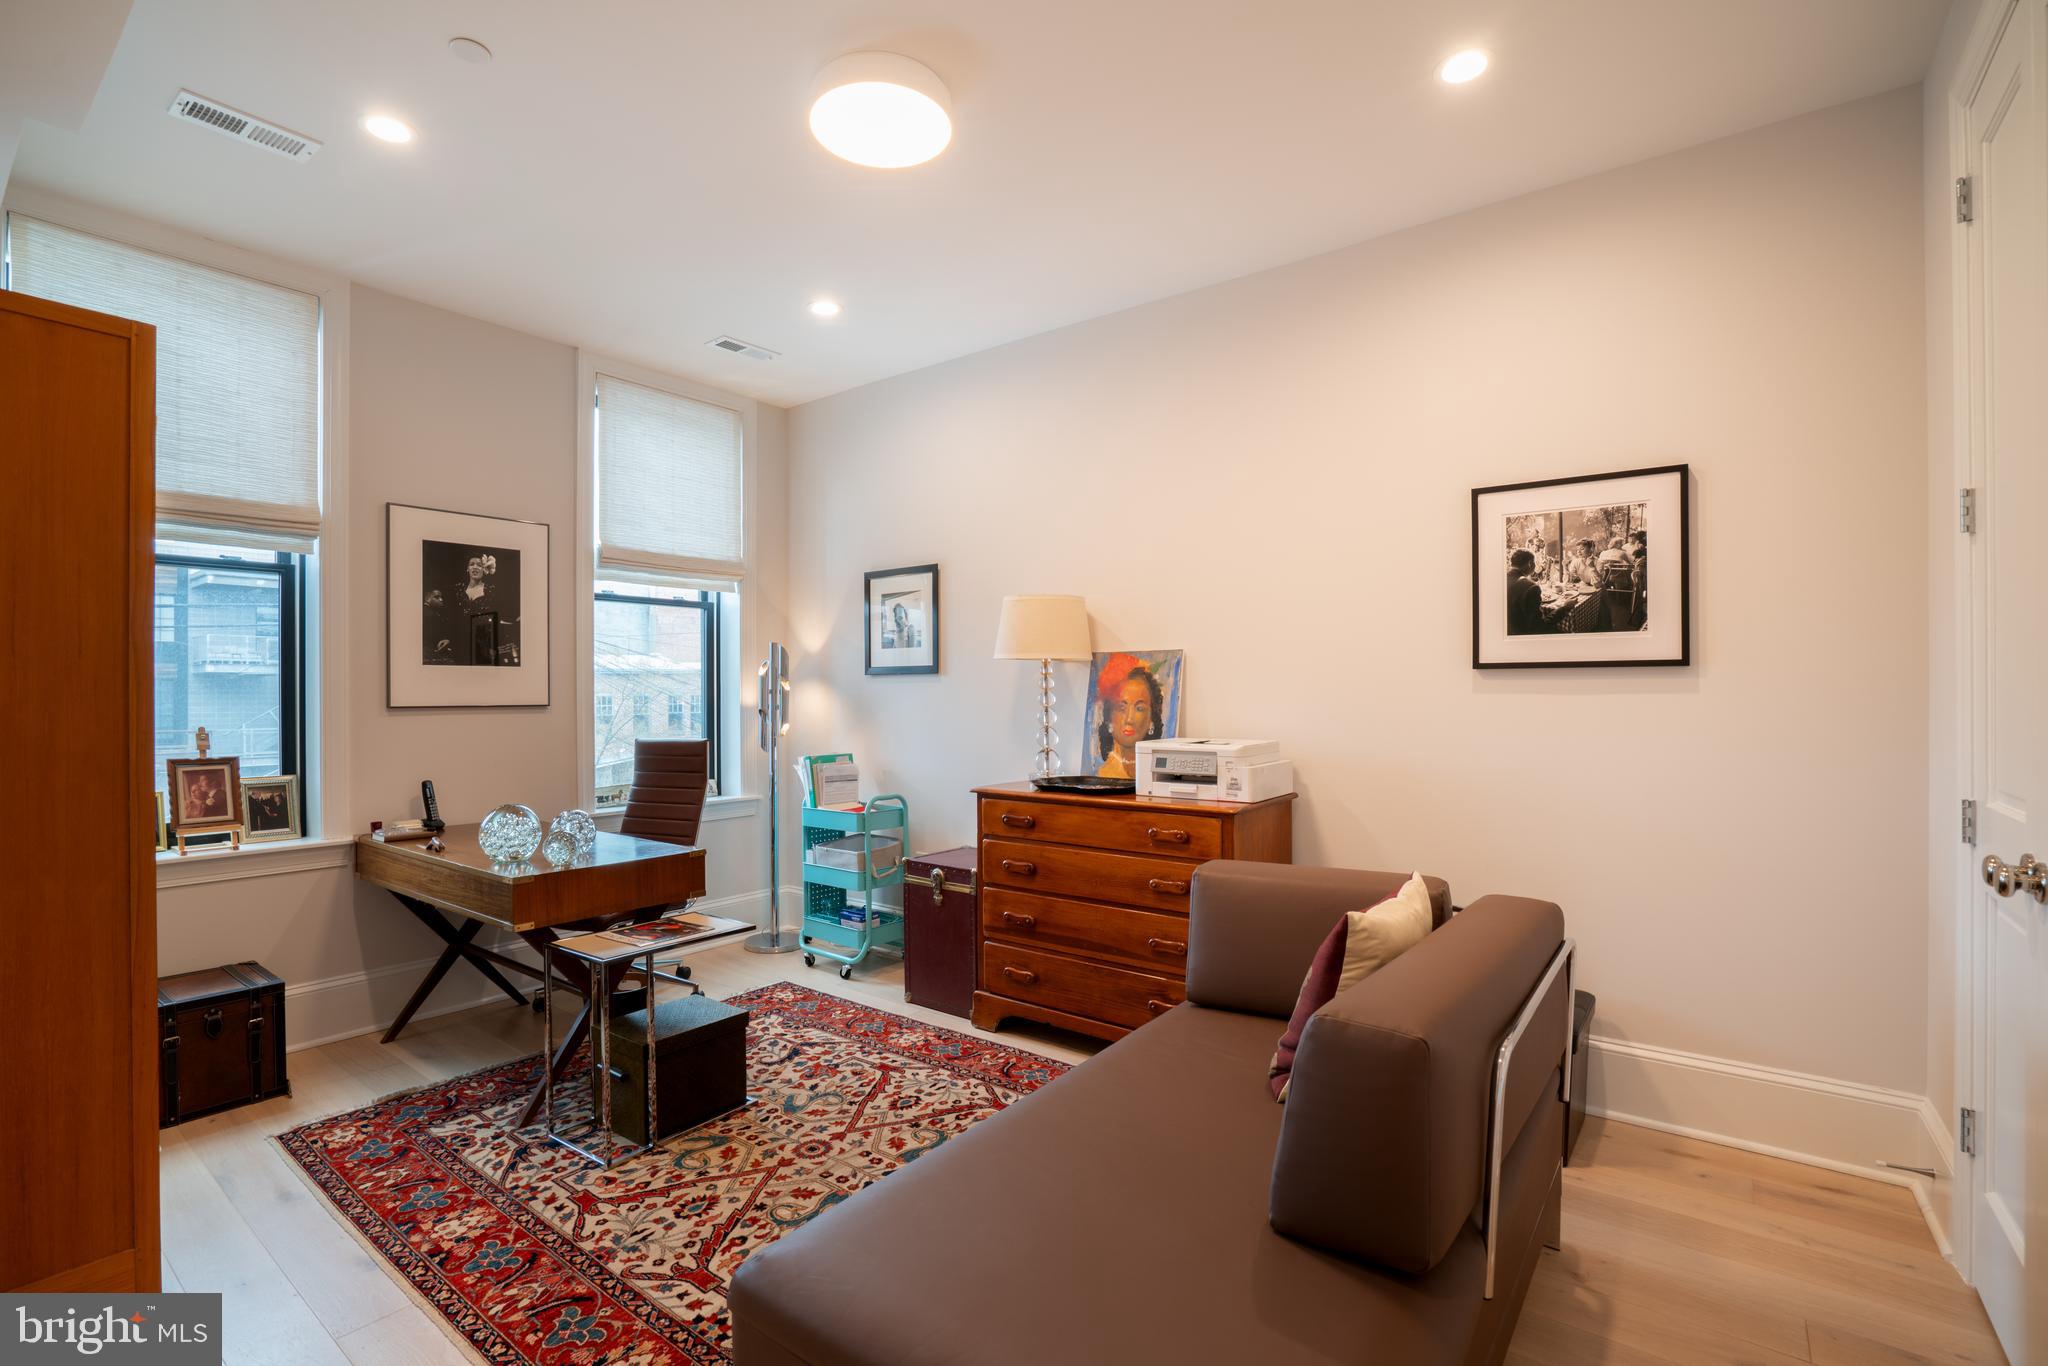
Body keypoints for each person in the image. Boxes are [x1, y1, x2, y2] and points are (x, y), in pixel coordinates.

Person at [1092, 654, 1167, 777]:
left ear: (1151, 719)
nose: (1129, 719)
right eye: (1121, 708)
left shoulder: (1157, 775)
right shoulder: (1104, 774)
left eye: (1139, 708)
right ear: (1109, 715)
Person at [1507, 549, 1547, 635]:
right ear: (1530, 563)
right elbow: (1540, 626)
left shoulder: (1499, 578)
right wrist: (1564, 608)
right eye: (1535, 562)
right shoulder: (1531, 587)